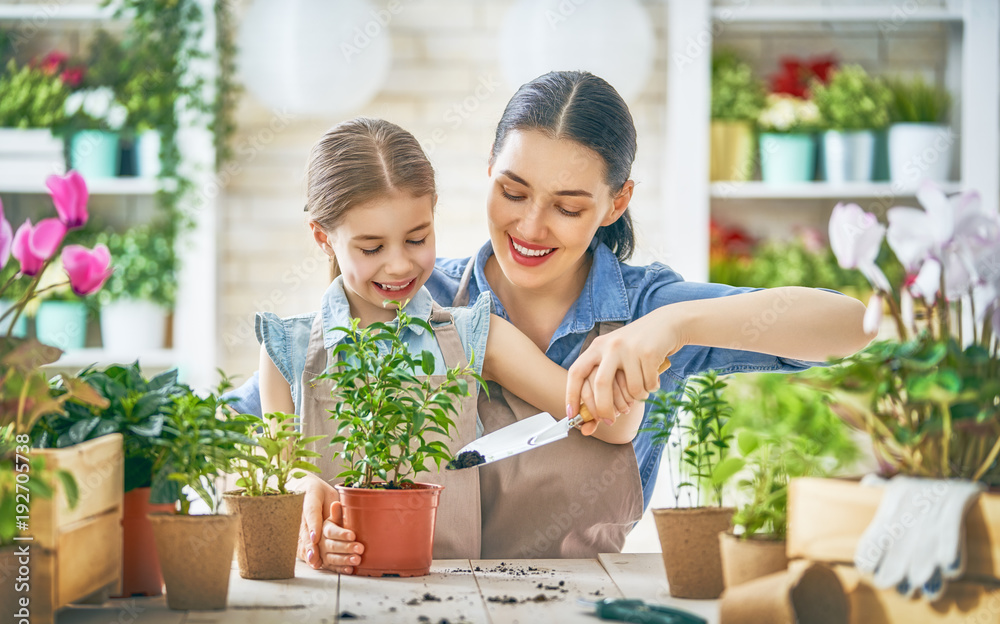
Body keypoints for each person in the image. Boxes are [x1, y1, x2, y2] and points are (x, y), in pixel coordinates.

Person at [238, 71, 873, 574]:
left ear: (615, 202)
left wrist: (675, 325)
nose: (532, 227)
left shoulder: (646, 308)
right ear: (487, 172)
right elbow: (260, 426)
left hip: (581, 619)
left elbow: (859, 326)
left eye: (568, 207)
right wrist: (294, 493)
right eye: (513, 193)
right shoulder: (414, 296)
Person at [257, 117, 645, 569]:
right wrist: (304, 492)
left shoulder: (476, 337)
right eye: (371, 248)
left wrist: (628, 369)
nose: (399, 264)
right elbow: (281, 479)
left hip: (455, 602)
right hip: (331, 605)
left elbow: (614, 426)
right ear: (323, 238)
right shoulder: (286, 350)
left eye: (417, 238)